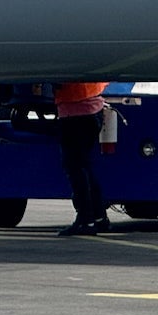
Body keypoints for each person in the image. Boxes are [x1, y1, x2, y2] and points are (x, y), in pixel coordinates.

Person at [54, 81, 111, 235]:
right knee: (84, 165)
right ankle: (99, 217)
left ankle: (86, 219)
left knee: (74, 167)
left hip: (75, 112)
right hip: (93, 108)